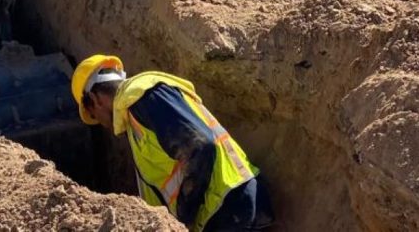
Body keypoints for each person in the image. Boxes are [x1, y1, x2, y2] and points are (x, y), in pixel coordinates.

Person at [72, 55, 273, 232]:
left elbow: (200, 147)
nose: (101, 122)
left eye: (93, 115)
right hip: (231, 206)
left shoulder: (144, 97)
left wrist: (183, 219)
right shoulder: (136, 115)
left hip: (227, 207)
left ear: (94, 99)